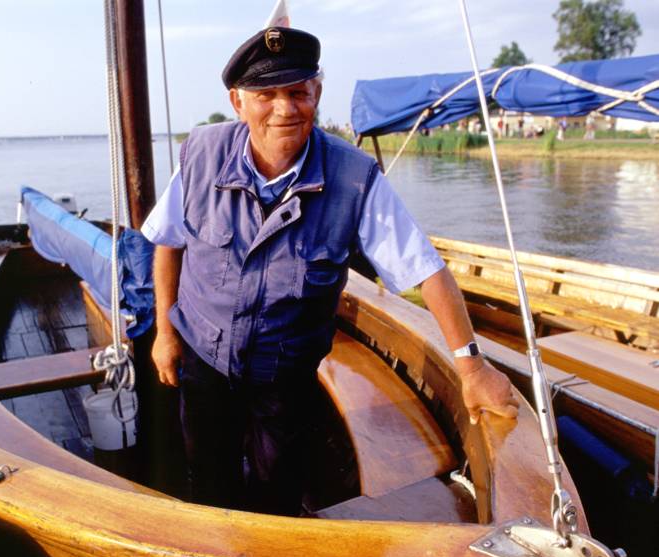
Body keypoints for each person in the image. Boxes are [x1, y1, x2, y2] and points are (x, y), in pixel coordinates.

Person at [142, 27, 518, 516]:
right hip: (204, 362)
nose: (284, 109)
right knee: (208, 479)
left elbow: (426, 270)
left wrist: (471, 368)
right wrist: (165, 333)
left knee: (276, 493)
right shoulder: (201, 155)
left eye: (298, 92)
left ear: (316, 92)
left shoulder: (353, 178)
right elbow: (168, 242)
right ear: (237, 102)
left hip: (284, 374)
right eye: (265, 95)